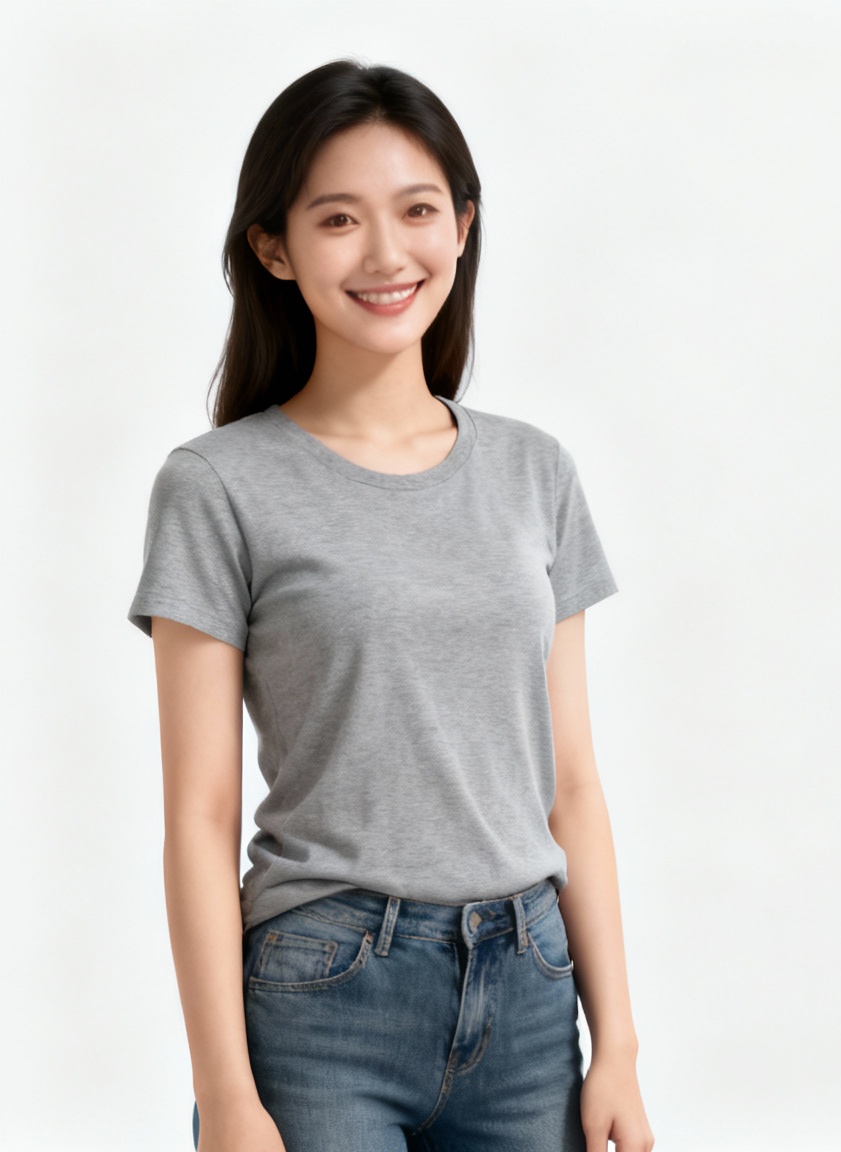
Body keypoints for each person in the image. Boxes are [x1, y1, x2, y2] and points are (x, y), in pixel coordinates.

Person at [130, 60, 655, 1152]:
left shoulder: (534, 472)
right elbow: (199, 819)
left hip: (528, 996)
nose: (385, 255)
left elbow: (572, 784)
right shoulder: (217, 485)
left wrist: (618, 1048)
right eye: (337, 220)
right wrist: (225, 1095)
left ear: (461, 225)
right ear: (273, 248)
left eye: (417, 211)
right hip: (323, 992)